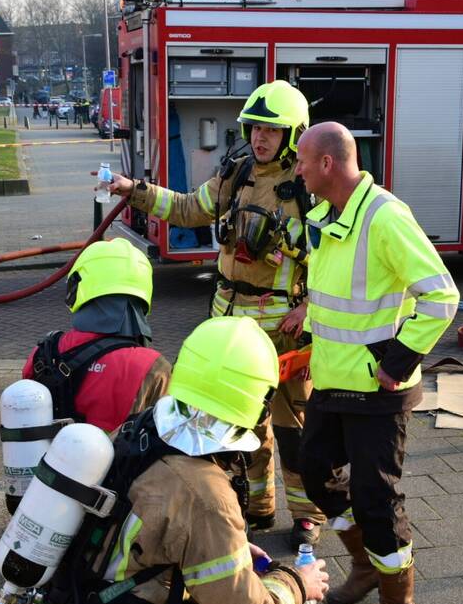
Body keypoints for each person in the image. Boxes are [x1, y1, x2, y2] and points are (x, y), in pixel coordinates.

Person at [104, 80, 326, 549]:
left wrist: (309, 307)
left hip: (284, 333)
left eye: (272, 131)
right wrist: (135, 191)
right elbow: (188, 208)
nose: (260, 138)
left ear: (294, 135)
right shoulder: (235, 172)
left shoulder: (309, 188)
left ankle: (308, 516)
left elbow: (332, 258)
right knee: (242, 425)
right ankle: (258, 506)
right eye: (254, 128)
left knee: (294, 429)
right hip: (232, 322)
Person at [59, 316, 333, 604]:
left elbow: (157, 525)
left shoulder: (142, 429)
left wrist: (228, 546)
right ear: (257, 402)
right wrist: (296, 581)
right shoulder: (207, 495)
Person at [294, 122, 460, 604]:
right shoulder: (332, 214)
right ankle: (365, 569)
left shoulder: (385, 216)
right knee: (317, 478)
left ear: (327, 164)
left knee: (375, 498)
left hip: (376, 390)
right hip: (333, 382)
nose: (296, 169)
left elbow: (441, 297)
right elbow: (341, 296)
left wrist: (398, 359)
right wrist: (309, 335)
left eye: (302, 160)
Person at [21, 238, 171, 433]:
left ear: (76, 287)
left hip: (53, 462)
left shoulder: (43, 354)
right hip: (120, 463)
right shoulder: (154, 367)